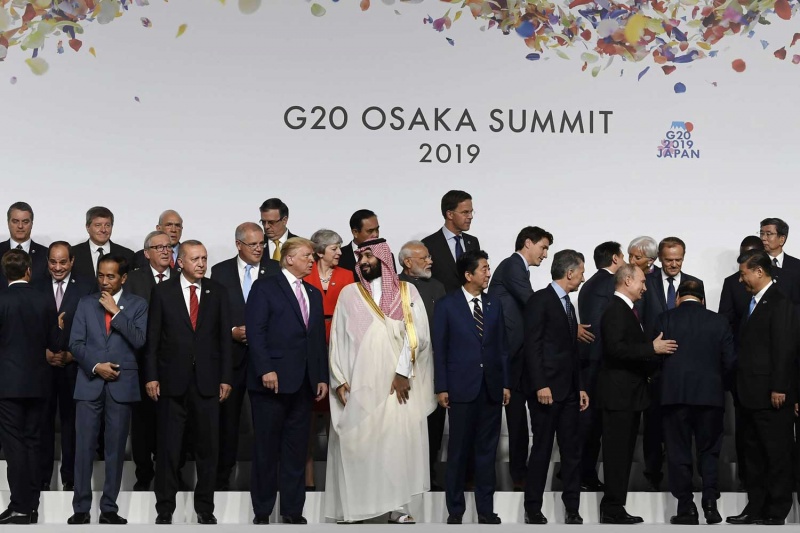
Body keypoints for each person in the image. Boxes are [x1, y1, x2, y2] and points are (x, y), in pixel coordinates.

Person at [325, 238, 436, 524]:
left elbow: (418, 335)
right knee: (359, 444)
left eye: (368, 256)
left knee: (396, 446)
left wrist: (402, 373)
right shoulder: (349, 294)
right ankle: (356, 508)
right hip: (360, 385)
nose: (363, 262)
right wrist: (339, 379)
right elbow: (337, 339)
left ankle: (398, 508)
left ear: (384, 259)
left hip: (396, 388)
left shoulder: (406, 291)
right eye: (360, 257)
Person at [144, 240, 233, 525]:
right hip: (172, 382)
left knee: (208, 450)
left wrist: (226, 378)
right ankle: (164, 509)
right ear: (180, 262)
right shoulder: (163, 291)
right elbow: (153, 338)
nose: (201, 264)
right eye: (195, 259)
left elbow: (224, 339)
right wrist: (151, 376)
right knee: (168, 449)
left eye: (204, 258)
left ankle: (205, 509)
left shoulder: (217, 291)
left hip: (208, 383)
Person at [245, 237, 329, 524]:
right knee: (266, 449)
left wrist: (320, 376)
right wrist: (265, 369)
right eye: (306, 256)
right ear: (289, 258)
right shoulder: (265, 287)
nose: (311, 261)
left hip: (304, 384)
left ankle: (293, 510)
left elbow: (316, 340)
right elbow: (256, 331)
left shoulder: (313, 293)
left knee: (296, 450)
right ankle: (262, 510)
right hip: (271, 382)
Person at [68, 255, 148, 525]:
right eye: (101, 275)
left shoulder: (138, 305)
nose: (104, 281)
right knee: (83, 448)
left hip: (122, 386)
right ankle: (81, 508)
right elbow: (75, 344)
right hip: (88, 384)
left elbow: (139, 340)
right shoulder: (85, 303)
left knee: (115, 449)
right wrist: (95, 366)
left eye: (111, 276)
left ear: (123, 278)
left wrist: (116, 312)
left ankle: (109, 508)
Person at [433, 249, 508, 525]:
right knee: (458, 452)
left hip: (491, 388)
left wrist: (505, 383)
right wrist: (441, 387)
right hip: (461, 389)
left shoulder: (494, 304)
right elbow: (440, 350)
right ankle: (456, 510)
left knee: (487, 452)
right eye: (484, 269)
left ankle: (486, 511)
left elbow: (502, 348)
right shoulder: (446, 305)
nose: (488, 273)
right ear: (468, 274)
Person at [597, 264, 677, 524]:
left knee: (622, 453)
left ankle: (615, 506)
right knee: (617, 455)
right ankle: (612, 508)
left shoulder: (627, 310)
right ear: (628, 281)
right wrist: (651, 348)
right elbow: (615, 349)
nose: (645, 287)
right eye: (642, 282)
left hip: (628, 396)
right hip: (618, 396)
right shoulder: (615, 310)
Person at [726, 250, 798, 525]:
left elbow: (784, 348)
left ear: (759, 271)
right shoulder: (753, 302)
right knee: (753, 455)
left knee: (776, 454)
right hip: (749, 394)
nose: (740, 279)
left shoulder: (780, 302)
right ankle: (755, 508)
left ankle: (777, 510)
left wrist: (779, 387)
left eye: (743, 273)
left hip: (771, 395)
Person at [656, 280, 735, 524]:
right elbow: (730, 361)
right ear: (703, 299)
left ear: (678, 297)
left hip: (674, 397)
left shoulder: (665, 319)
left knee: (678, 452)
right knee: (709, 451)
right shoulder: (719, 321)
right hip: (710, 397)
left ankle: (686, 508)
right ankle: (710, 504)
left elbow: (654, 358)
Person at [210, 222, 280, 491]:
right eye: (253, 244)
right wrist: (231, 331)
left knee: (268, 422)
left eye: (262, 243)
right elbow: (214, 312)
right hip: (232, 358)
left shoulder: (275, 269)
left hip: (267, 359)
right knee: (227, 422)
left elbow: (282, 311)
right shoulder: (220, 271)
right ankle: (221, 481)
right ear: (238, 245)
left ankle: (267, 482)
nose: (259, 249)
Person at [523, 250, 588, 525]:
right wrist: (541, 384)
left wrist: (580, 386)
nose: (583, 278)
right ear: (569, 273)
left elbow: (572, 351)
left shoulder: (568, 304)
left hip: (570, 392)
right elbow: (532, 345)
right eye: (581, 272)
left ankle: (572, 509)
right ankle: (532, 509)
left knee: (572, 453)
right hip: (546, 392)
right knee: (541, 450)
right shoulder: (540, 300)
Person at [0, 249, 64, 525]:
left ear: (5, 273)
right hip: (39, 384)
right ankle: (32, 507)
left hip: (7, 386)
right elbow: (56, 344)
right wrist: (58, 326)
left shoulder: (1, 300)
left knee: (14, 446)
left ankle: (20, 507)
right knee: (34, 443)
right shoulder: (44, 300)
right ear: (28, 271)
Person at [487, 226, 552, 490]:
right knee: (514, 422)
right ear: (528, 243)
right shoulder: (513, 265)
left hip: (519, 358)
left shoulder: (518, 268)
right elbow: (533, 303)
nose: (545, 254)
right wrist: (563, 319)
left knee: (522, 422)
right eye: (543, 247)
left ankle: (524, 474)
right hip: (508, 360)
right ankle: (518, 476)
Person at [638, 236, 703, 491]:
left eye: (678, 259)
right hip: (654, 365)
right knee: (653, 423)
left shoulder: (694, 284)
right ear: (659, 259)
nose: (674, 264)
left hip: (685, 367)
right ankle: (652, 473)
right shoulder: (646, 280)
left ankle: (685, 476)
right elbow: (640, 320)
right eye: (668, 260)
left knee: (684, 425)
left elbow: (699, 322)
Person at [35, 242, 95, 492]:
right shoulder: (35, 285)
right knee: (42, 423)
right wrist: (44, 353)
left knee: (72, 425)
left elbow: (94, 328)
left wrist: (73, 354)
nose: (57, 267)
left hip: (74, 368)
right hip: (42, 369)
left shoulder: (87, 286)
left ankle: (70, 478)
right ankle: (42, 478)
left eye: (63, 262)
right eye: (53, 262)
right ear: (47, 262)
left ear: (72, 261)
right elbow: (28, 326)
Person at [124, 230, 178, 491]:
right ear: (146, 253)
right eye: (159, 248)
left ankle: (172, 475)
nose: (166, 251)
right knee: (143, 423)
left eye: (169, 247)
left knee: (173, 422)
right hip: (140, 361)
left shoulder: (181, 277)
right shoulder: (133, 280)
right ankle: (143, 475)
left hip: (174, 363)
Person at [303, 229, 354, 490]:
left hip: (339, 345)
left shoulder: (347, 275)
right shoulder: (305, 273)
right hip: (310, 345)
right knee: (308, 418)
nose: (340, 253)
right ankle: (308, 479)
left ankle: (339, 482)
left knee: (339, 415)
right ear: (320, 251)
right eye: (335, 248)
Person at [398, 240, 447, 490]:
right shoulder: (394, 286)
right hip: (402, 368)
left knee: (433, 421)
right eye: (424, 258)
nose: (430, 261)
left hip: (433, 365)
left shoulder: (437, 287)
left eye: (429, 257)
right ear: (407, 262)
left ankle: (429, 474)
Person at [577, 241, 625, 491]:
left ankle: (581, 472)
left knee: (591, 422)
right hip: (597, 363)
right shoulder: (607, 283)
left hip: (591, 361)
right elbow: (599, 326)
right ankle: (583, 474)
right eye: (623, 257)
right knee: (592, 423)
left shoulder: (591, 283)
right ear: (615, 258)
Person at [717, 235, 764, 490]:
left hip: (769, 372)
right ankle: (747, 479)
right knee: (744, 428)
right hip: (741, 370)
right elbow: (725, 322)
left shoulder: (778, 286)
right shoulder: (731, 283)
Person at [422, 190, 481, 293]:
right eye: (465, 212)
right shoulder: (428, 244)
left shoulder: (473, 242)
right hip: (442, 301)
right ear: (450, 214)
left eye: (471, 212)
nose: (470, 216)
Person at [72, 206, 135, 279]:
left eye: (107, 225)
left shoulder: (127, 255)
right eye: (98, 225)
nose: (103, 230)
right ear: (87, 227)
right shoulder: (73, 253)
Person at [0, 202, 49, 289]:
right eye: (15, 221)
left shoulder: (45, 254)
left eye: (25, 222)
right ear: (8, 223)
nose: (20, 226)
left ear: (32, 224)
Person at [338, 209, 381, 276]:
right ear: (355, 232)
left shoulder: (385, 255)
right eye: (370, 231)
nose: (375, 235)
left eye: (377, 229)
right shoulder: (339, 256)